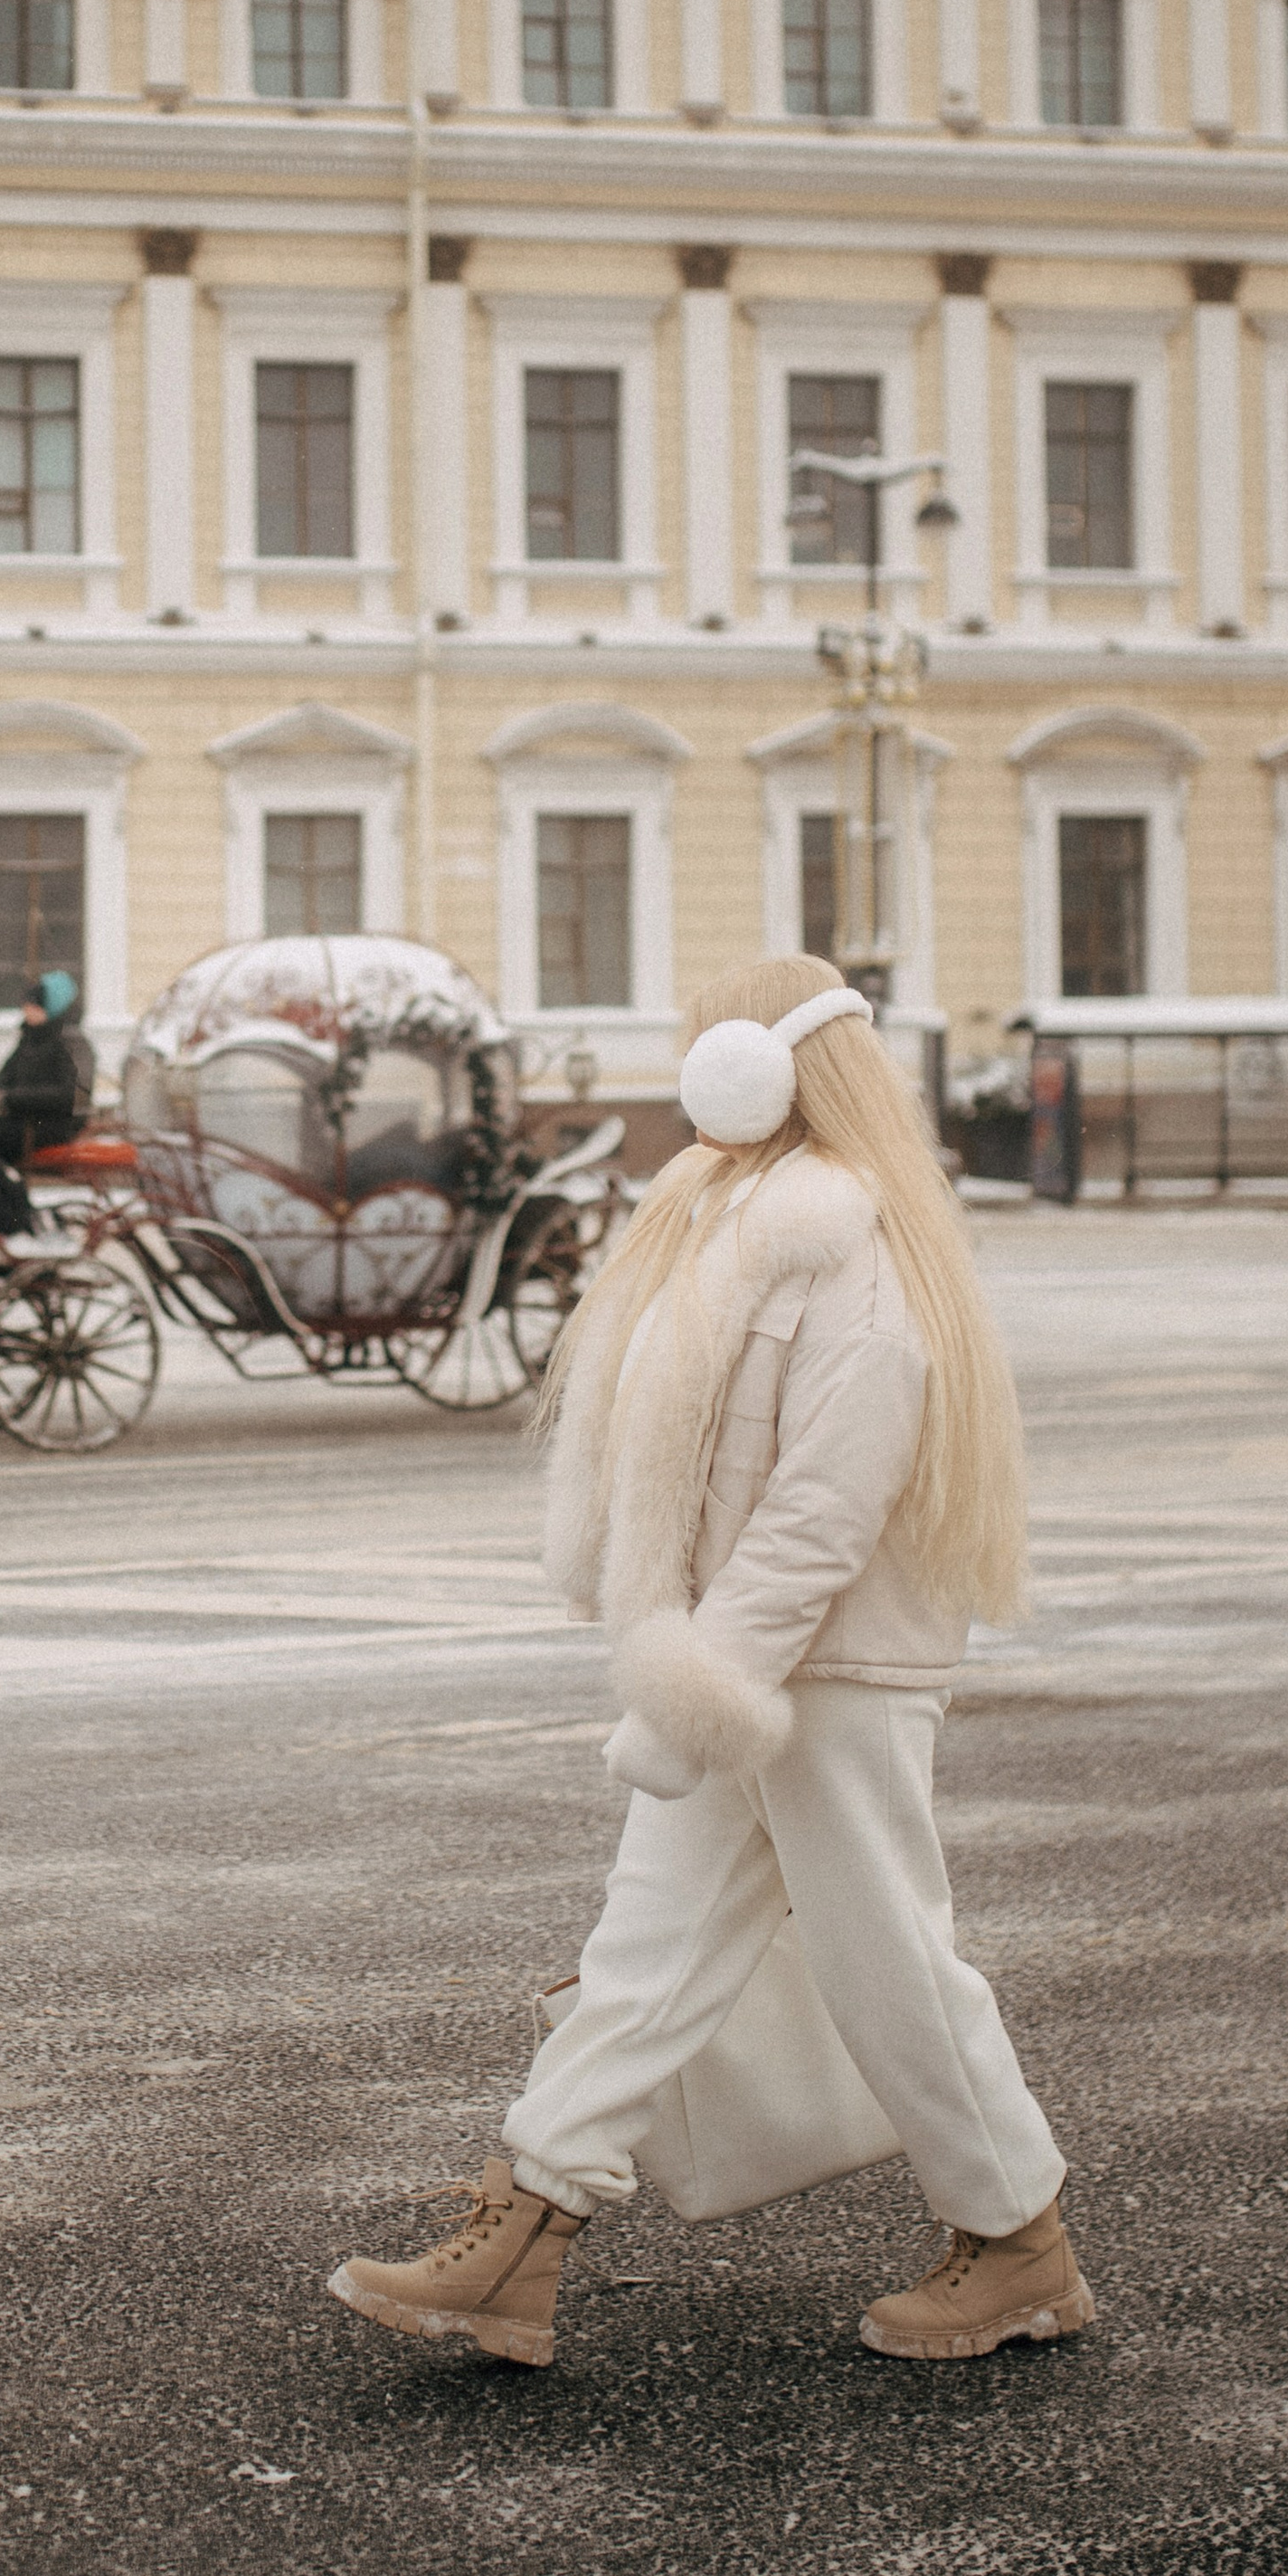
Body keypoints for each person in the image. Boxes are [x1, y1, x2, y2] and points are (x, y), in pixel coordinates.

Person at [326, 955, 1092, 2372]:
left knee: (891, 1967)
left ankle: (1021, 2245)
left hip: (832, 1673)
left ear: (763, 1061)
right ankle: (523, 2232)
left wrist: (703, 1687)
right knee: (645, 1955)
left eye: (712, 1042)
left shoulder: (851, 1248)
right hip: (742, 1674)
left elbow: (821, 1511)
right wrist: (701, 1678)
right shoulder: (729, 1217)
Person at [0, 971, 93, 1237]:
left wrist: (11, 1099)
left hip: (52, 1127)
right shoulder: (30, 1039)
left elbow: (71, 1097)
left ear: (52, 1008)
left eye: (33, 1005)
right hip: (23, 1120)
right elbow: (3, 1076)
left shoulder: (73, 1044)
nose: (27, 1010)